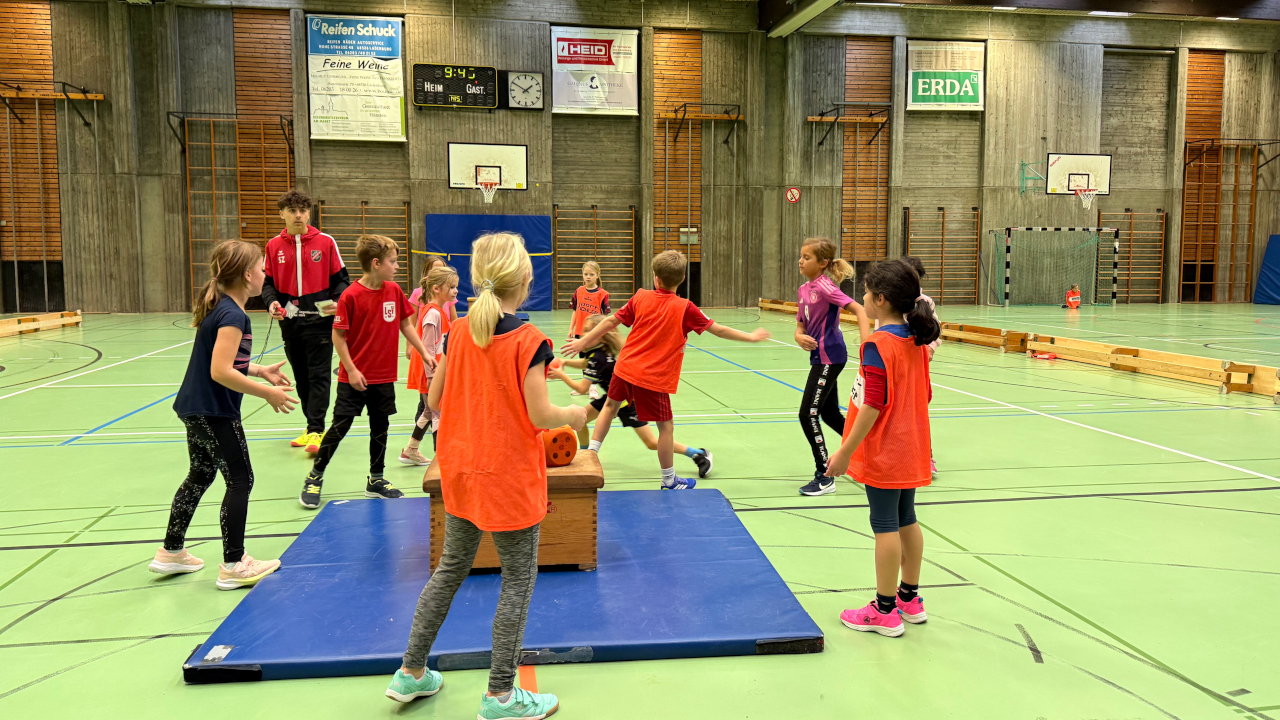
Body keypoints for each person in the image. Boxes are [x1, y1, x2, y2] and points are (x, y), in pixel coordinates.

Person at [386, 232, 586, 719]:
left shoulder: (460, 331)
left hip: (462, 471)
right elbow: (541, 416)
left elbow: (433, 401)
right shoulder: (528, 340)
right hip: (508, 478)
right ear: (525, 280)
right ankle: (500, 696)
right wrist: (575, 414)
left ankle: (411, 672)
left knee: (451, 569)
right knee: (518, 579)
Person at [151, 240, 296, 590]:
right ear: (248, 276)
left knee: (200, 475)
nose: (265, 274)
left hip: (195, 408)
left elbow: (227, 361)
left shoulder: (223, 309)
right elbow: (220, 371)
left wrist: (259, 371)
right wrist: (268, 393)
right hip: (215, 411)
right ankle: (234, 563)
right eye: (262, 269)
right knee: (241, 480)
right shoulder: (233, 314)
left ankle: (171, 552)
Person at [563, 250, 770, 489]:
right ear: (682, 279)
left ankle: (591, 457)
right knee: (665, 428)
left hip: (625, 367)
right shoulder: (686, 308)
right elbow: (719, 330)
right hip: (653, 377)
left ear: (655, 278)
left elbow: (610, 321)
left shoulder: (640, 297)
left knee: (609, 407)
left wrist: (583, 342)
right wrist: (751, 337)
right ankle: (669, 479)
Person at [825, 258, 940, 638]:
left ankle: (885, 610)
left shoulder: (877, 345)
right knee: (907, 518)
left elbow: (872, 404)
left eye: (867, 291)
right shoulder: (917, 340)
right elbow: (924, 394)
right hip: (912, 446)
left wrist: (843, 452)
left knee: (884, 524)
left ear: (880, 299)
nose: (862, 296)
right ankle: (910, 597)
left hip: (887, 451)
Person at [299, 235, 433, 509]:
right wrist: (351, 369)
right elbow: (338, 337)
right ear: (376, 263)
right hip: (354, 378)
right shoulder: (350, 296)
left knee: (379, 427)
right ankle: (315, 475)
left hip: (383, 377)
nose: (396, 267)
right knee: (339, 427)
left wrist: (424, 352)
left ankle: (376, 479)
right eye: (393, 262)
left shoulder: (393, 291)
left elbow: (406, 325)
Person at [550, 314, 712, 478]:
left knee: (651, 443)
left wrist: (560, 375)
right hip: (611, 399)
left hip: (626, 402)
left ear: (602, 336)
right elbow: (586, 364)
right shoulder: (597, 351)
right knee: (579, 420)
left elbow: (582, 388)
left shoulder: (598, 358)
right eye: (584, 331)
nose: (583, 335)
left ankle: (698, 454)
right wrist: (565, 362)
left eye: (588, 331)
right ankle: (585, 456)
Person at [261, 189, 350, 455]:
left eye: (302, 210)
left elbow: (341, 280)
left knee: (319, 375)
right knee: (301, 378)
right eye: (292, 211)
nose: (298, 215)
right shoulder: (272, 246)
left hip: (321, 322)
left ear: (308, 213)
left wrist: (340, 301)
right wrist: (271, 303)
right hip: (289, 322)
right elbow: (268, 285)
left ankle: (316, 430)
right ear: (282, 215)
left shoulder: (325, 242)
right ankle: (312, 427)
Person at [794, 237, 868, 497]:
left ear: (823, 263)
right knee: (830, 416)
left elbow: (859, 309)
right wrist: (798, 335)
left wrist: (867, 345)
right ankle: (868, 452)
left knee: (808, 414)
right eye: (801, 256)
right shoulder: (804, 289)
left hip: (830, 357)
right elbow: (801, 324)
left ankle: (824, 475)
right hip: (818, 358)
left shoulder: (826, 287)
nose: (801, 261)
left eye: (807, 257)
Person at [400, 264, 458, 466]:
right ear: (437, 289)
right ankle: (442, 458)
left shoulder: (439, 312)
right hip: (430, 372)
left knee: (428, 410)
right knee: (437, 412)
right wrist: (432, 377)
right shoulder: (432, 313)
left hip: (433, 370)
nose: (455, 291)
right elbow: (428, 349)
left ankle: (410, 450)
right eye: (451, 287)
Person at [902, 256, 941, 480]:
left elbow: (935, 330)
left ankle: (926, 456)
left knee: (917, 411)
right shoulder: (891, 300)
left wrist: (930, 349)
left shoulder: (925, 302)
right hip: (895, 362)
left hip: (917, 365)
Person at [568, 260, 610, 340]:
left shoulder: (603, 294)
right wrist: (571, 329)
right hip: (579, 332)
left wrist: (602, 331)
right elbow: (575, 311)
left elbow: (604, 316)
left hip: (594, 333)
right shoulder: (578, 291)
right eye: (586, 274)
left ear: (597, 275)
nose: (588, 277)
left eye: (591, 274)